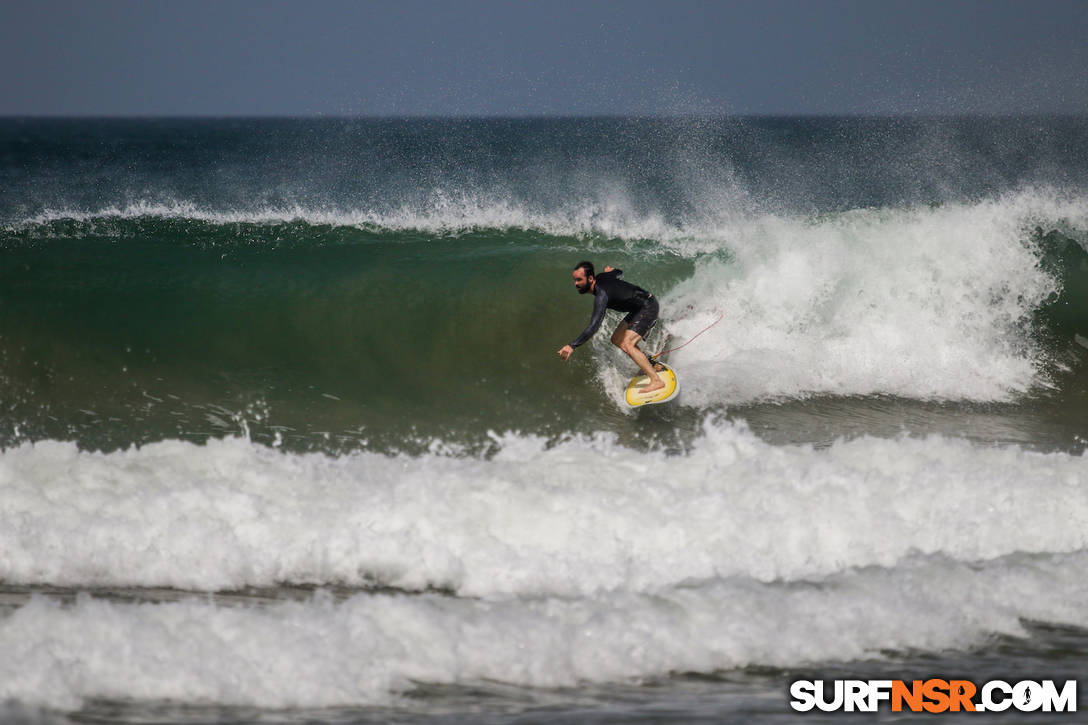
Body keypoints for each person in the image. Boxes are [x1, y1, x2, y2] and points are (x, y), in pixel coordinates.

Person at [557, 261, 665, 393]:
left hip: (648, 306)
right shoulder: (602, 277)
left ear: (590, 279)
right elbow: (618, 272)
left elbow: (594, 326)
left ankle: (656, 381)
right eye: (575, 280)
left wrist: (572, 345)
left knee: (628, 343)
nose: (576, 284)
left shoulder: (601, 296)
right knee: (617, 339)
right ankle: (651, 365)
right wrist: (611, 271)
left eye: (579, 280)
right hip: (638, 309)